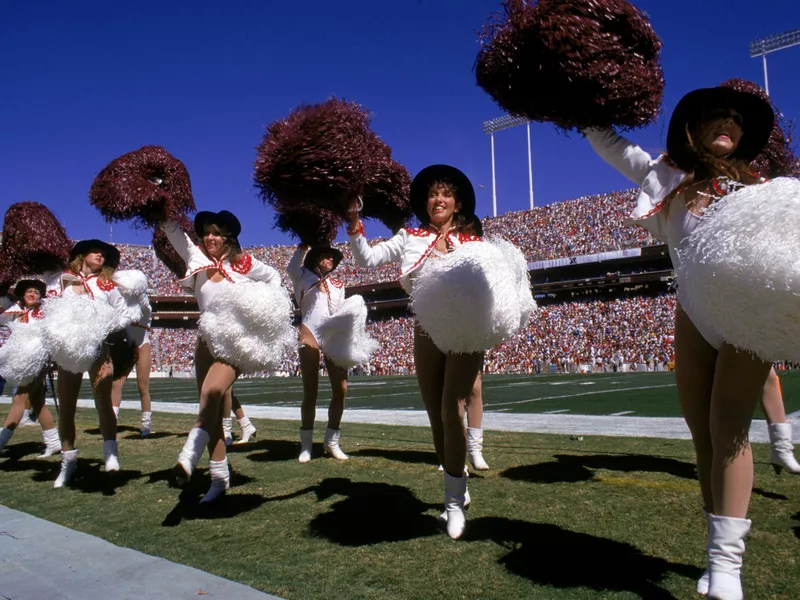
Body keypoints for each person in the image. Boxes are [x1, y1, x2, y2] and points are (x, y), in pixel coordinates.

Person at [586, 86, 775, 599]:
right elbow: (611, 144)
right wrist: (578, 107)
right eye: (718, 115)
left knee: (730, 426)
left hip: (744, 319)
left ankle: (728, 570)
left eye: (737, 119)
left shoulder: (762, 188)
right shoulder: (664, 175)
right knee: (704, 438)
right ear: (692, 127)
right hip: (692, 314)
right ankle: (715, 558)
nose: (729, 124)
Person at [347, 165, 483, 539]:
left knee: (451, 408)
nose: (438, 200)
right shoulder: (410, 235)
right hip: (426, 327)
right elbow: (367, 260)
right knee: (435, 417)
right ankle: (459, 484)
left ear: (457, 204)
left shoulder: (474, 239)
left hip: (465, 329)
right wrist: (355, 222)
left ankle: (453, 505)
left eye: (446, 194)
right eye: (432, 194)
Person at [161, 210, 281, 502]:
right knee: (211, 411)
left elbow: (274, 278)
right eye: (206, 232)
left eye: (216, 233)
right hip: (206, 340)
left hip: (234, 340)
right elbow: (175, 233)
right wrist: (160, 208)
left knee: (213, 391)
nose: (210, 238)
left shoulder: (244, 263)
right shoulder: (197, 260)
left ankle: (189, 455)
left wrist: (262, 309)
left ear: (228, 237)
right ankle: (219, 479)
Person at [51, 240, 138, 487]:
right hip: (69, 349)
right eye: (94, 251)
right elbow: (51, 311)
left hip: (99, 348)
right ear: (82, 255)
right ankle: (68, 462)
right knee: (67, 407)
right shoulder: (63, 280)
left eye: (103, 253)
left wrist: (102, 327)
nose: (99, 255)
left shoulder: (107, 284)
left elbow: (125, 315)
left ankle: (111, 454)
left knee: (104, 402)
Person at [287, 243, 348, 462]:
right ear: (315, 259)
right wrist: (302, 248)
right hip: (309, 332)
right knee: (310, 391)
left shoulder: (339, 284)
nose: (331, 259)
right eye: (325, 256)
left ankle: (332, 441)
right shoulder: (302, 275)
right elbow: (291, 269)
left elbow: (339, 310)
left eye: (333, 257)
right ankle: (306, 445)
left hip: (332, 334)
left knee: (341, 389)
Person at [0, 279, 61, 457]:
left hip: (38, 362)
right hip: (24, 362)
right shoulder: (17, 313)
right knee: (38, 403)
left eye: (36, 292)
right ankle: (54, 442)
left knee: (19, 399)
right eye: (29, 291)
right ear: (23, 294)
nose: (32, 294)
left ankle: (1, 441)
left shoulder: (43, 313)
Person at [110, 273, 153, 437]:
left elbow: (146, 307)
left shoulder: (145, 306)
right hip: (126, 345)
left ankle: (146, 426)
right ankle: (111, 421)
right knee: (116, 384)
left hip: (143, 345)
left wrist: (138, 290)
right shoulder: (122, 305)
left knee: (143, 386)